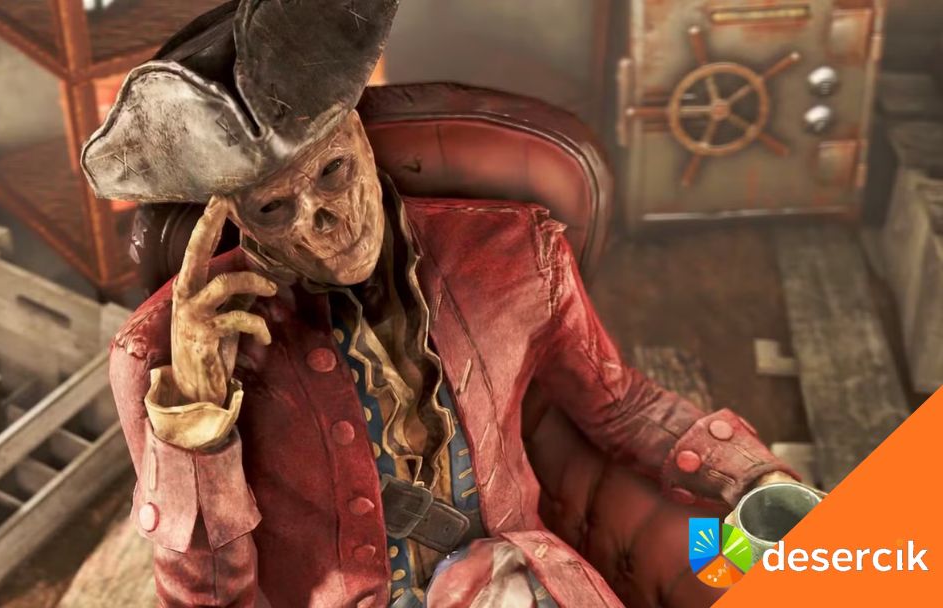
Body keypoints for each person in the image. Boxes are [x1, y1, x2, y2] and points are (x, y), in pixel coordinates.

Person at [83, 1, 801, 606]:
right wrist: (196, 425)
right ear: (232, 217)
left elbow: (619, 404)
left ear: (363, 140)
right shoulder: (163, 354)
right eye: (274, 208)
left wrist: (752, 475)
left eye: (333, 172)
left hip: (521, 586)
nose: (321, 220)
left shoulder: (514, 251)